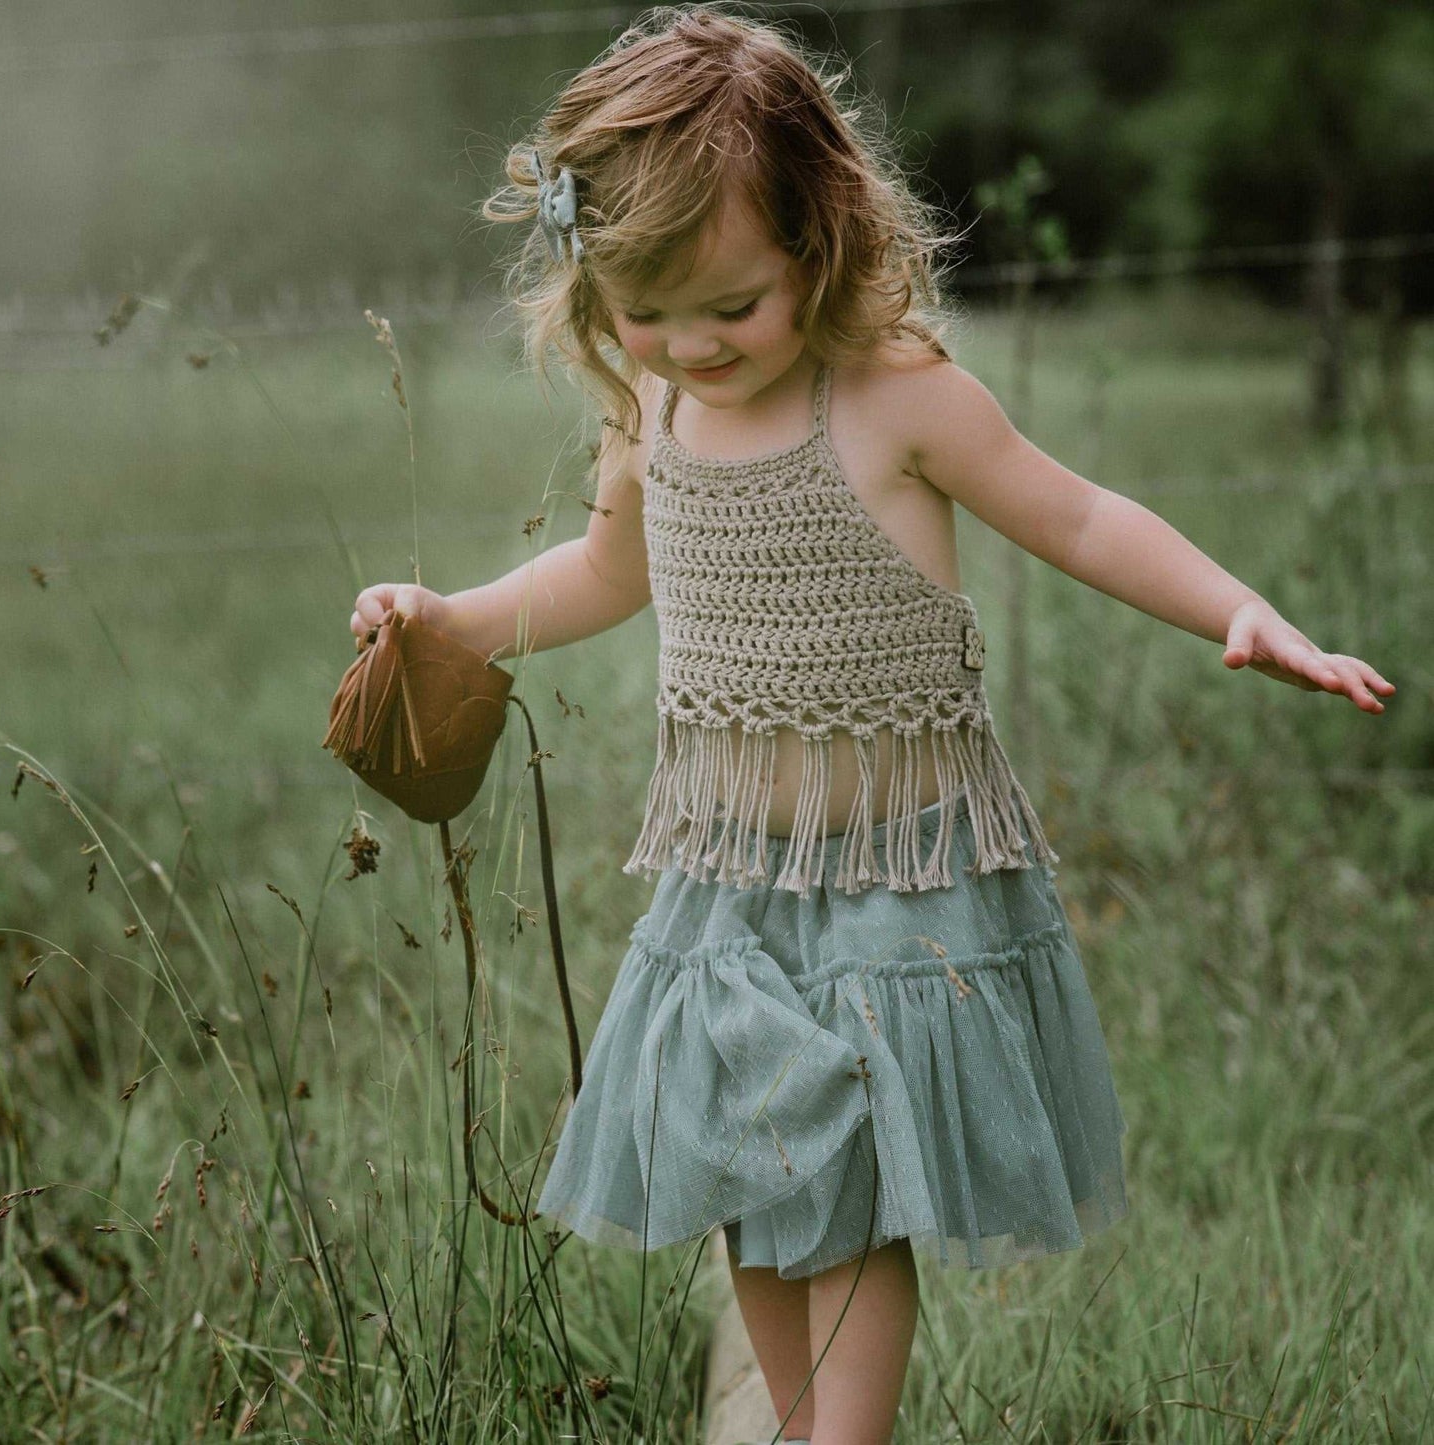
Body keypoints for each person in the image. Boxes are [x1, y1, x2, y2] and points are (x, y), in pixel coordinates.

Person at [348, 8, 1395, 1443]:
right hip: (725, 891)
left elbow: (1077, 510)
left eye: (733, 304)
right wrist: (452, 615)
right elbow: (606, 574)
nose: (691, 343)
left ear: (820, 241)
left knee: (845, 1214)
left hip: (894, 895)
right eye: (648, 310)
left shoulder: (896, 399)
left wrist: (1239, 605)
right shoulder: (650, 404)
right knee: (752, 1192)